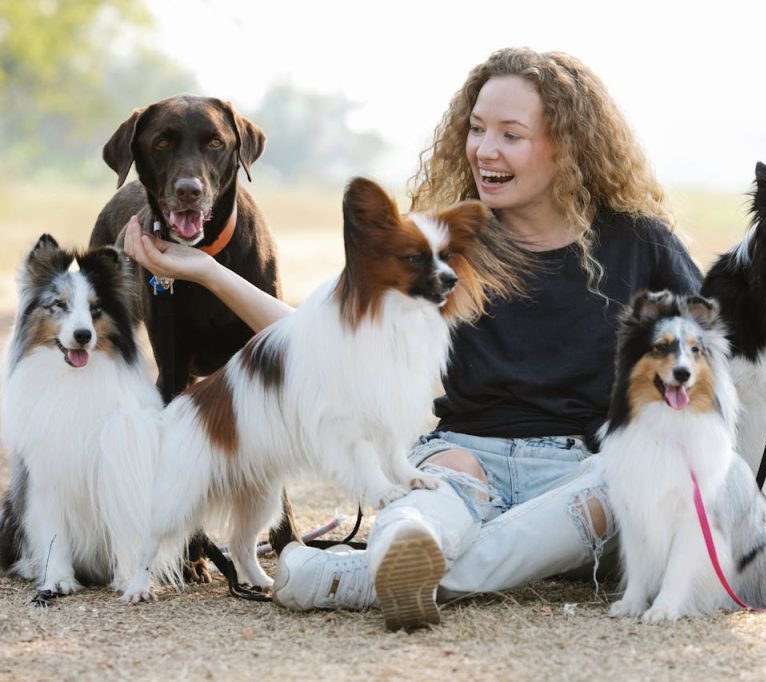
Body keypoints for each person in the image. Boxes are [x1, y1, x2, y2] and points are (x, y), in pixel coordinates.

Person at [123, 47, 703, 630]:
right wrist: (206, 270)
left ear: (569, 144)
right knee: (416, 513)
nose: (485, 149)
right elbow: (321, 340)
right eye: (476, 129)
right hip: (462, 457)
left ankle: (346, 578)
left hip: (578, 466)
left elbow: (720, 353)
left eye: (511, 134)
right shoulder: (436, 243)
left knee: (616, 489)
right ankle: (404, 557)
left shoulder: (640, 243)